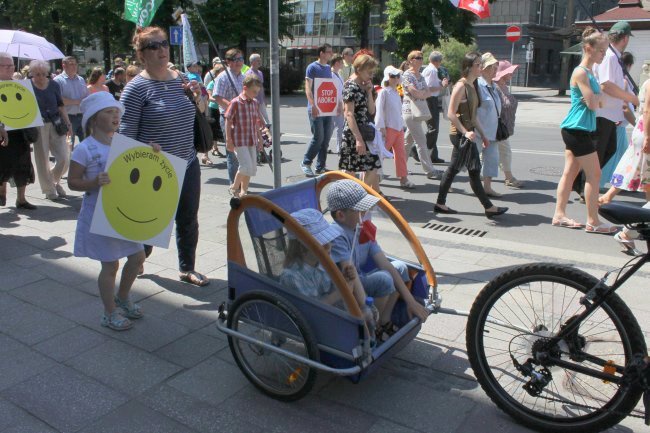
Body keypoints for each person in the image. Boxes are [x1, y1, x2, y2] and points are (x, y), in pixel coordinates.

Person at [119, 26, 210, 286]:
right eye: (154, 46)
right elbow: (125, 138)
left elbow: (201, 111)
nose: (162, 49)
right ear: (141, 54)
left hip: (188, 161)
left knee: (188, 218)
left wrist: (198, 96)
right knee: (150, 222)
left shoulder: (181, 78)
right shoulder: (136, 89)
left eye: (164, 44)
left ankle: (187, 268)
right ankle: (137, 259)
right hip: (154, 167)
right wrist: (146, 152)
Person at [68, 92, 146, 331]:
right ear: (94, 118)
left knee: (137, 256)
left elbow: (141, 166)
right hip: (99, 215)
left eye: (116, 112)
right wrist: (93, 183)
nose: (115, 116)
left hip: (125, 212)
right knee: (110, 265)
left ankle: (122, 297)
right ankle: (109, 312)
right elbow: (72, 182)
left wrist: (152, 151)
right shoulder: (85, 149)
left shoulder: (124, 144)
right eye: (108, 112)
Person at [327, 180, 429, 331]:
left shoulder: (361, 228)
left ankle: (383, 320)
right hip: (347, 288)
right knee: (384, 279)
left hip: (361, 279)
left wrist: (410, 301)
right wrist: (364, 307)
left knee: (399, 268)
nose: (366, 213)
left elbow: (385, 264)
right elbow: (350, 274)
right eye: (361, 211)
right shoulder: (337, 235)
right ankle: (372, 328)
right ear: (341, 215)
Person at [553, 27, 617, 234]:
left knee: (570, 173)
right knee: (594, 174)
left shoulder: (589, 73)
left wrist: (596, 99)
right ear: (588, 49)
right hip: (577, 129)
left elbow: (596, 101)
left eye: (605, 51)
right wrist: (597, 99)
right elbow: (593, 104)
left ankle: (559, 214)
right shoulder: (581, 72)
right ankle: (593, 221)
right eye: (601, 50)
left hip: (579, 128)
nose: (604, 54)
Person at [435, 52, 508, 218]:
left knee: (455, 169)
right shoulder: (461, 86)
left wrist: (483, 135)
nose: (481, 67)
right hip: (460, 135)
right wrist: (465, 132)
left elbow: (473, 116)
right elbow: (451, 114)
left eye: (481, 64)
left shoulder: (473, 85)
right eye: (477, 65)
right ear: (468, 67)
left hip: (469, 133)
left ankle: (440, 203)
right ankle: (488, 207)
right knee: (473, 170)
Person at [611, 82, 650, 255]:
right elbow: (648, 109)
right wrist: (648, 136)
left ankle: (630, 233)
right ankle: (627, 233)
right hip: (647, 134)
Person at [30, 59, 72, 201]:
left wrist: (68, 122)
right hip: (38, 125)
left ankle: (54, 181)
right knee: (42, 159)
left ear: (47, 73)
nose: (40, 77)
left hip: (56, 123)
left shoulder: (53, 85)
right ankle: (49, 189)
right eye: (36, 74)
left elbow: (60, 105)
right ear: (32, 74)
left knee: (64, 158)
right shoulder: (28, 86)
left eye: (43, 74)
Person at [338, 54, 381, 192]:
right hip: (354, 133)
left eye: (372, 72)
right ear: (359, 69)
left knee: (373, 165)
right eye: (369, 72)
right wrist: (358, 139)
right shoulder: (350, 86)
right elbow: (349, 114)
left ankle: (357, 194)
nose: (371, 75)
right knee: (351, 170)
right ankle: (348, 196)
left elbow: (371, 110)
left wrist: (369, 92)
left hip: (364, 131)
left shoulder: (364, 86)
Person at [0, 52, 37, 210]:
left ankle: (21, 199)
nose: (10, 69)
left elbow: (29, 108)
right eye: (6, 66)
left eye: (12, 66)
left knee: (23, 164)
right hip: (2, 133)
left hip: (20, 132)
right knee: (2, 165)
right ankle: (2, 194)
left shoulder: (20, 85)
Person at [600, 51, 636, 190]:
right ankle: (600, 183)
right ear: (629, 65)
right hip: (619, 124)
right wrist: (637, 125)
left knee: (621, 158)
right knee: (618, 157)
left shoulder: (620, 80)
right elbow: (625, 107)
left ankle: (622, 184)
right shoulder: (624, 81)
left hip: (619, 124)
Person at [402, 51, 440, 180]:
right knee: (421, 140)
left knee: (407, 141)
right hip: (410, 111)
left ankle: (401, 166)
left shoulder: (420, 75)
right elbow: (415, 93)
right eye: (417, 58)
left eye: (421, 58)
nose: (420, 60)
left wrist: (421, 93)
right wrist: (422, 93)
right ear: (410, 60)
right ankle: (429, 170)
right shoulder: (407, 75)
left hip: (418, 110)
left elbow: (427, 92)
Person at [375, 65, 414, 190]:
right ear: (388, 77)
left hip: (398, 127)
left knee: (400, 154)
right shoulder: (383, 92)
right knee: (379, 154)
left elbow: (398, 110)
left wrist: (402, 125)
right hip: (388, 128)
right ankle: (374, 177)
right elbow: (379, 111)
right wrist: (381, 128)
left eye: (397, 76)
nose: (396, 78)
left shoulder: (397, 92)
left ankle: (403, 178)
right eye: (393, 76)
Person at [225, 74, 264, 197]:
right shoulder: (236, 102)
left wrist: (260, 138)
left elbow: (256, 122)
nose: (255, 94)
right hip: (239, 140)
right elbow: (228, 119)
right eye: (253, 91)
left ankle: (244, 191)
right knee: (245, 166)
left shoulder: (254, 103)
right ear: (245, 88)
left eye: (257, 92)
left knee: (252, 168)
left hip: (251, 139)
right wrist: (228, 139)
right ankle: (234, 187)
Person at [301, 43, 335, 177]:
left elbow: (330, 88)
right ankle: (306, 162)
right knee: (318, 137)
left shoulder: (328, 68)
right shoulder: (312, 67)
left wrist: (336, 104)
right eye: (329, 52)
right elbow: (308, 87)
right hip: (315, 108)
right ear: (321, 53)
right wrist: (313, 104)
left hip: (328, 108)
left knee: (326, 139)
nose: (331, 54)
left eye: (331, 52)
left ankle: (320, 166)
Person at [213, 48, 246, 185]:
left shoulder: (244, 77)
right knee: (232, 153)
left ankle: (242, 185)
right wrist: (234, 108)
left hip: (243, 118)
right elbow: (218, 97)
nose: (239, 62)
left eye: (241, 59)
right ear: (228, 62)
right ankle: (234, 186)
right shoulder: (223, 77)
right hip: (229, 118)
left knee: (243, 153)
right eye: (236, 59)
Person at [476, 52, 503, 197]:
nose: (495, 69)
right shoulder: (478, 85)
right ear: (484, 68)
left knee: (492, 160)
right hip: (479, 131)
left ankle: (487, 187)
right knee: (467, 161)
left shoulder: (493, 85)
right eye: (493, 67)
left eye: (496, 66)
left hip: (492, 131)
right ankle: (448, 182)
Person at [494, 60, 523, 188]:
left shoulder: (504, 86)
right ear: (501, 73)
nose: (512, 73)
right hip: (497, 126)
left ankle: (481, 175)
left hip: (504, 126)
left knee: (489, 151)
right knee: (505, 151)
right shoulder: (494, 87)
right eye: (509, 71)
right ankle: (509, 177)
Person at [54, 56, 89, 149]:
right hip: (67, 119)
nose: (74, 66)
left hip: (82, 117)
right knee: (68, 147)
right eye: (71, 64)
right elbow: (59, 101)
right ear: (64, 65)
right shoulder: (58, 81)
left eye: (75, 64)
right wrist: (77, 101)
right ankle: (67, 163)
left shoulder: (81, 79)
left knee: (87, 145)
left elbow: (86, 96)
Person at [422, 51, 449, 164]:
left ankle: (433, 155)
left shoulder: (431, 69)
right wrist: (441, 85)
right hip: (430, 100)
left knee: (433, 128)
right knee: (433, 128)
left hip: (430, 99)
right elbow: (427, 88)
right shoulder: (432, 70)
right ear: (437, 61)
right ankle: (419, 149)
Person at [246, 53, 269, 125]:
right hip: (254, 100)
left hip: (261, 100)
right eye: (258, 60)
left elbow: (261, 87)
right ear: (252, 62)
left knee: (266, 118)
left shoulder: (260, 73)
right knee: (257, 119)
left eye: (260, 60)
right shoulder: (249, 74)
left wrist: (264, 99)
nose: (260, 62)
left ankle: (268, 132)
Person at [329, 54, 345, 154]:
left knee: (336, 126)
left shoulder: (338, 74)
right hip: (334, 105)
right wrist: (339, 104)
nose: (343, 64)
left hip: (340, 104)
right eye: (341, 62)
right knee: (337, 126)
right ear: (337, 63)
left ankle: (325, 145)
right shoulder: (330, 75)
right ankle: (339, 148)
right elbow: (334, 91)